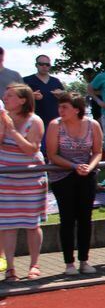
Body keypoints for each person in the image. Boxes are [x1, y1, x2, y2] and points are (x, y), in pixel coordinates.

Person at [46, 92, 102, 275]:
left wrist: (89, 167)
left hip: (86, 175)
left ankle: (84, 261)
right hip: (62, 176)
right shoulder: (55, 125)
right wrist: (73, 165)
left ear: (77, 109)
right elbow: (52, 154)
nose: (60, 110)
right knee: (67, 219)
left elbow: (97, 152)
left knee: (85, 218)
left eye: (65, 107)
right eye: (60, 106)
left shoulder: (92, 125)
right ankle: (68, 263)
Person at [0, 83, 46, 280]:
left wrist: (12, 131)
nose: (5, 97)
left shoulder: (35, 121)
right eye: (5, 95)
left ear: (23, 100)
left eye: (10, 95)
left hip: (30, 179)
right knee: (8, 224)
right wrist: (4, 127)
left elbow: (31, 149)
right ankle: (10, 268)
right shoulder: (2, 118)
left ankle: (34, 265)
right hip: (6, 179)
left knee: (31, 224)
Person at [23, 54, 64, 135]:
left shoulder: (56, 81)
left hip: (55, 122)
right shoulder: (26, 80)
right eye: (41, 64)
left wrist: (61, 95)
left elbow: (65, 99)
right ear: (36, 65)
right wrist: (31, 96)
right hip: (33, 122)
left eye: (47, 64)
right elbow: (19, 99)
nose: (44, 66)